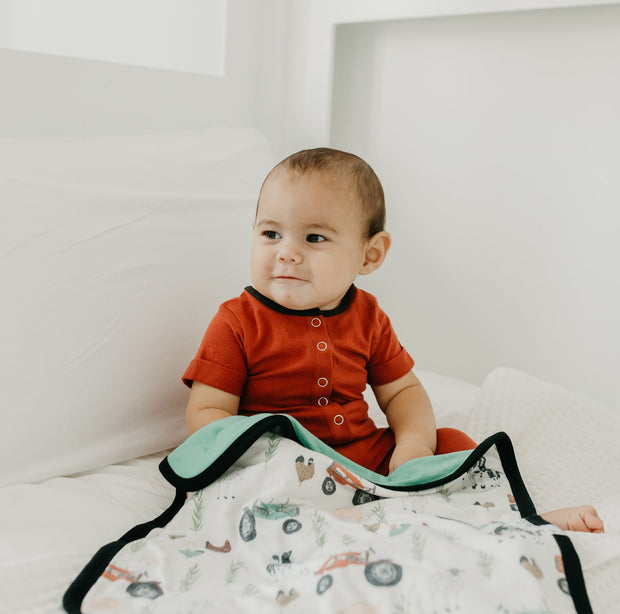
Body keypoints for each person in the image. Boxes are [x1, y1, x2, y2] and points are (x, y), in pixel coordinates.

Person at [183, 148, 603, 534]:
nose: (286, 252)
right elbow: (206, 413)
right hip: (284, 466)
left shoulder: (368, 316)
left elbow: (402, 390)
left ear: (370, 255)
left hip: (366, 457)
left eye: (314, 238)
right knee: (238, 493)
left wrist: (413, 444)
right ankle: (369, 518)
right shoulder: (237, 321)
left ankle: (518, 518)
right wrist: (268, 453)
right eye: (271, 234)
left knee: (453, 443)